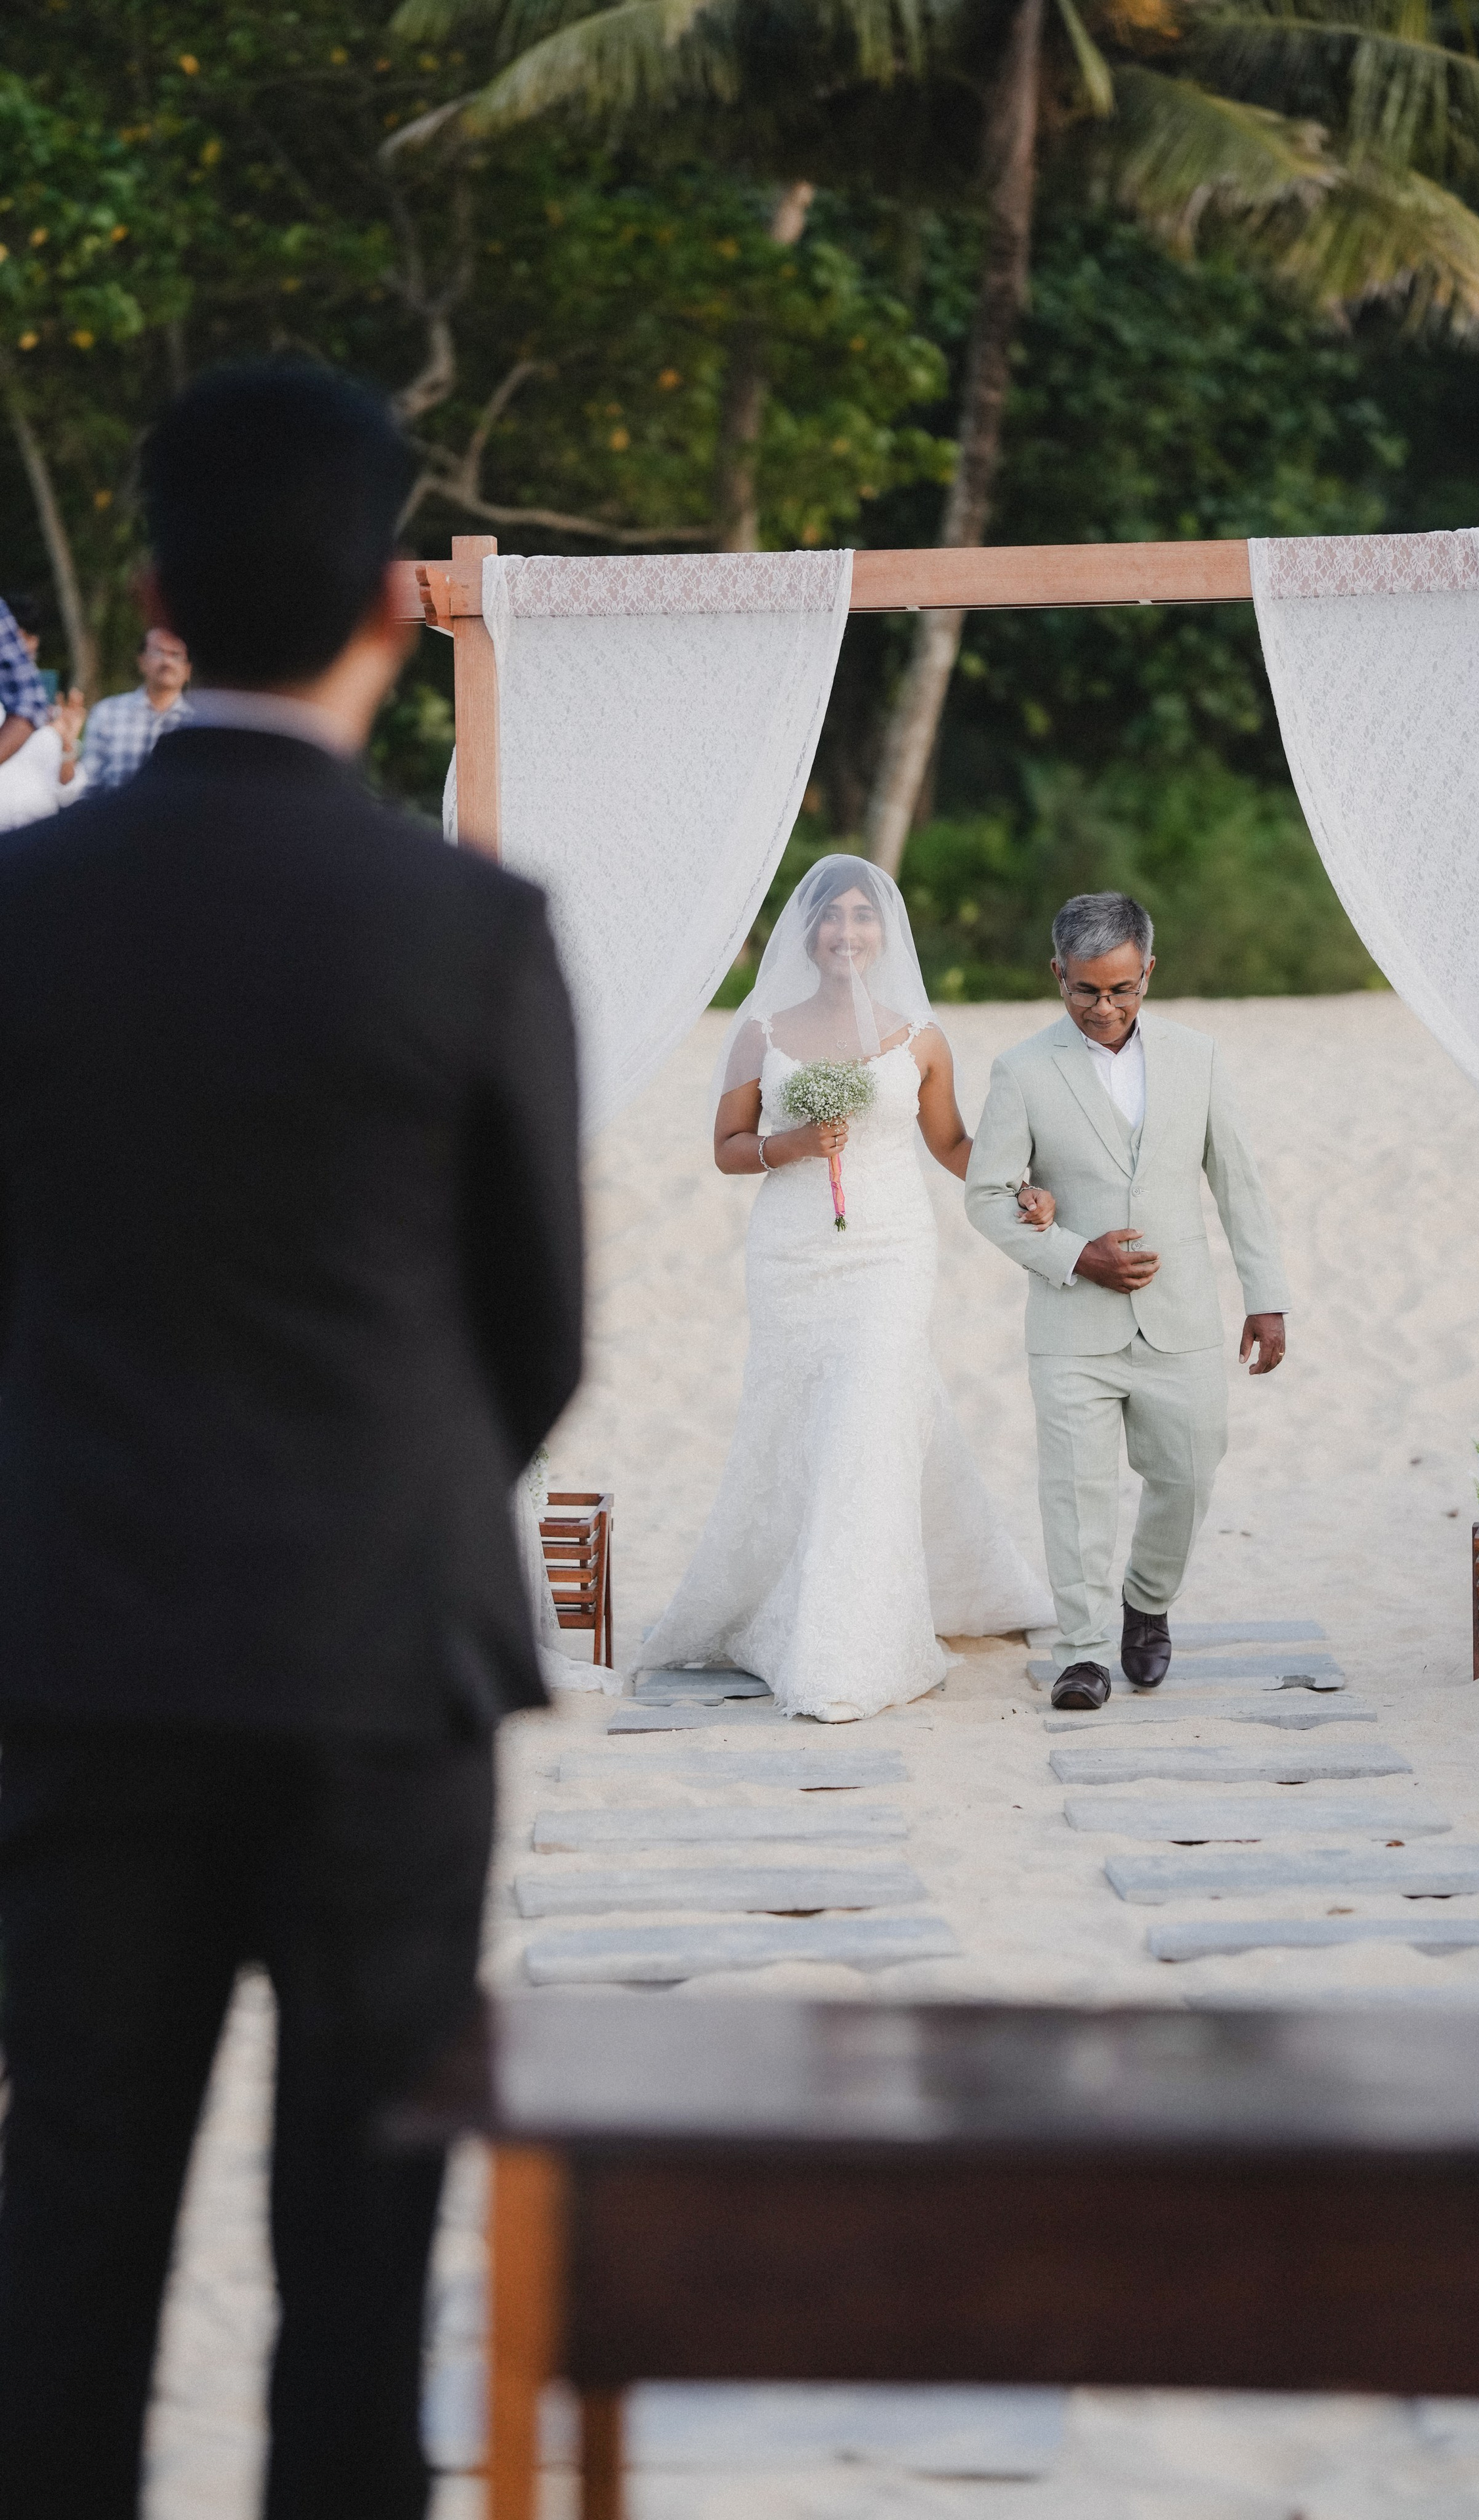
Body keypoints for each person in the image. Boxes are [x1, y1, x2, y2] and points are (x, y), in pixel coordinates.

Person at [0, 362, 583, 2519]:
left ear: (155, 592)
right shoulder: (473, 926)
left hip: (73, 1656)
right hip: (379, 1673)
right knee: (358, 2260)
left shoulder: (22, 914)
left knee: (68, 2231)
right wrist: (385, 1491)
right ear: (389, 612)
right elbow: (541, 1331)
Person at [636, 853, 1054, 1722]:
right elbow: (725, 1145)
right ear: (808, 930)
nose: (848, 932)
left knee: (870, 1400)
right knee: (807, 1419)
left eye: (865, 917)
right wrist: (788, 1147)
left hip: (892, 1245)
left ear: (885, 933)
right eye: (834, 917)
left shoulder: (922, 1037)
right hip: (792, 1249)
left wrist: (1017, 1182)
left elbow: (949, 1144)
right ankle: (795, 1605)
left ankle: (848, 1636)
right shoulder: (764, 1031)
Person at [965, 891, 1289, 1711]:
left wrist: (1266, 1296)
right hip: (1071, 1322)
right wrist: (1076, 1252)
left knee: (1188, 1473)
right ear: (1057, 976)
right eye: (1085, 991)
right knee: (1075, 1492)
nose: (1103, 1008)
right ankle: (1080, 1653)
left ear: (1148, 971)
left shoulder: (1198, 1056)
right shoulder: (1022, 1069)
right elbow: (986, 1195)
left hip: (1180, 1316)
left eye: (1121, 989)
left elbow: (1237, 1184)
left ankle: (1146, 1601)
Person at [0, 592, 85, 828]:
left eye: (26, 636)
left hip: (37, 841)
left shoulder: (51, 709)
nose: (18, 645)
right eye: (13, 637)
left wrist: (68, 743)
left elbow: (71, 794)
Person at [80, 623, 194, 788]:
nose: (167, 662)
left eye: (176, 655)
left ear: (188, 670)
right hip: (115, 813)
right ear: (142, 662)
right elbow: (88, 785)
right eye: (158, 652)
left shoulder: (198, 721)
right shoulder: (107, 713)